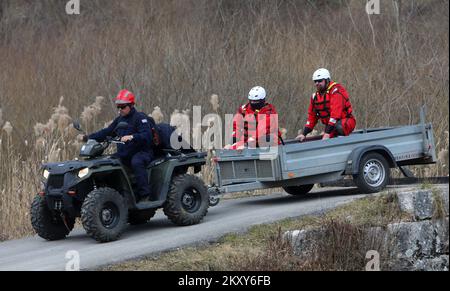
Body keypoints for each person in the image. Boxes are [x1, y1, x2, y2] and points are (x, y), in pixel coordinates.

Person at [85, 89, 155, 202]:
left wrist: (132, 137)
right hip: (125, 153)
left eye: (122, 107)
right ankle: (116, 194)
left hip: (142, 152)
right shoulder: (119, 120)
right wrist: (89, 137)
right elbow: (107, 131)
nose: (120, 110)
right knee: (108, 162)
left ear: (131, 105)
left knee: (136, 162)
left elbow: (146, 135)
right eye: (118, 107)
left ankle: (145, 195)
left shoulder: (140, 118)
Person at [296, 68, 356, 141]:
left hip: (345, 122)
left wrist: (327, 133)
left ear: (327, 80)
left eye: (320, 81)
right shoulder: (315, 97)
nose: (317, 83)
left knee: (339, 127)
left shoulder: (336, 91)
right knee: (327, 137)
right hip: (331, 125)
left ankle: (342, 143)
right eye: (315, 81)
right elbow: (312, 117)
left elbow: (335, 114)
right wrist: (304, 134)